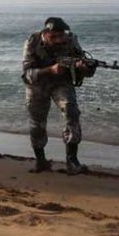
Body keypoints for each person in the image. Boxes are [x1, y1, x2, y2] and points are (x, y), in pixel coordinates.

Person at [22, 17, 96, 175]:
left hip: (61, 82)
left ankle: (72, 160)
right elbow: (27, 74)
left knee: (71, 112)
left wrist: (84, 68)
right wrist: (50, 70)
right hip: (37, 85)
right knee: (37, 122)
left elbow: (84, 67)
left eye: (61, 35)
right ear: (45, 33)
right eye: (54, 36)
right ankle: (41, 161)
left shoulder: (71, 40)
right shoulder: (33, 42)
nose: (58, 40)